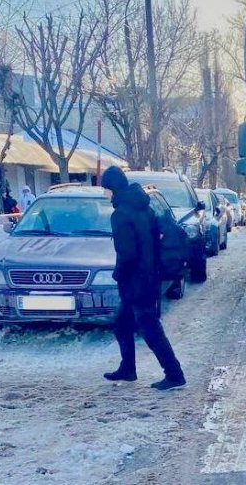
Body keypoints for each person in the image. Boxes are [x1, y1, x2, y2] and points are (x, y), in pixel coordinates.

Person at [100, 166, 186, 391]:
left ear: (112, 188)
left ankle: (174, 374)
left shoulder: (120, 215)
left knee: (150, 329)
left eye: (105, 189)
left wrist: (118, 275)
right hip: (150, 277)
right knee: (122, 324)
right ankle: (128, 368)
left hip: (135, 281)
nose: (104, 194)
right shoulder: (144, 209)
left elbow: (127, 254)